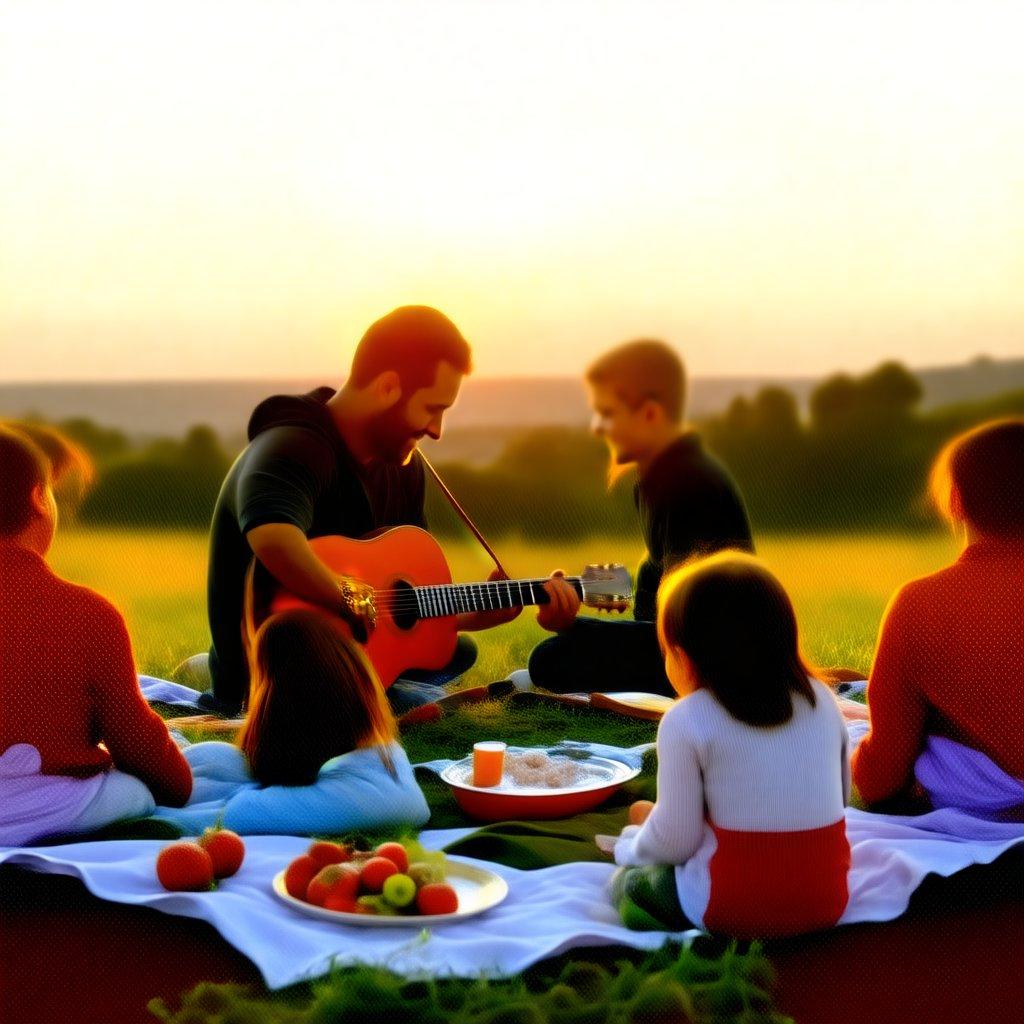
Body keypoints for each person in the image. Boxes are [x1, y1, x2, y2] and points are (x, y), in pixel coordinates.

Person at [191, 305, 575, 716]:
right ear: (388, 387)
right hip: (270, 680)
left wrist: (487, 611)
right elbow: (274, 540)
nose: (436, 430)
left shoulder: (403, 467)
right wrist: (353, 599)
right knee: (433, 707)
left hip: (349, 657)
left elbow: (404, 606)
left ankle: (397, 692)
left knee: (455, 651)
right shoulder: (292, 444)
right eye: (432, 408)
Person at [610, 552, 850, 939]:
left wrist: (628, 849)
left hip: (730, 909)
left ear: (684, 658)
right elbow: (840, 798)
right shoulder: (822, 700)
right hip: (827, 904)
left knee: (631, 883)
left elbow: (676, 842)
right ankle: (652, 821)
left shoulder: (685, 720)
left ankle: (642, 835)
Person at [527, 340, 754, 695]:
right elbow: (659, 576)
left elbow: (689, 623)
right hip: (679, 638)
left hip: (711, 656)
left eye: (608, 413)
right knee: (560, 649)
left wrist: (574, 626)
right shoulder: (652, 480)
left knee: (550, 659)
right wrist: (592, 589)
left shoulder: (688, 483)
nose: (598, 427)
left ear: (649, 414)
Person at [0, 425, 191, 845]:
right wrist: (178, 783)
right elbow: (135, 740)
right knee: (133, 792)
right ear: (38, 497)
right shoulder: (88, 613)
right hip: (44, 807)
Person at [852, 418, 1024, 816]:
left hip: (981, 809)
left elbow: (882, 778)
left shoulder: (919, 603)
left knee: (847, 731)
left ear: (955, 502)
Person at [155, 608, 429, 835]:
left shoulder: (252, 810)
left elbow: (228, 816)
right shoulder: (380, 751)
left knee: (217, 759)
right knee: (220, 758)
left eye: (259, 683)